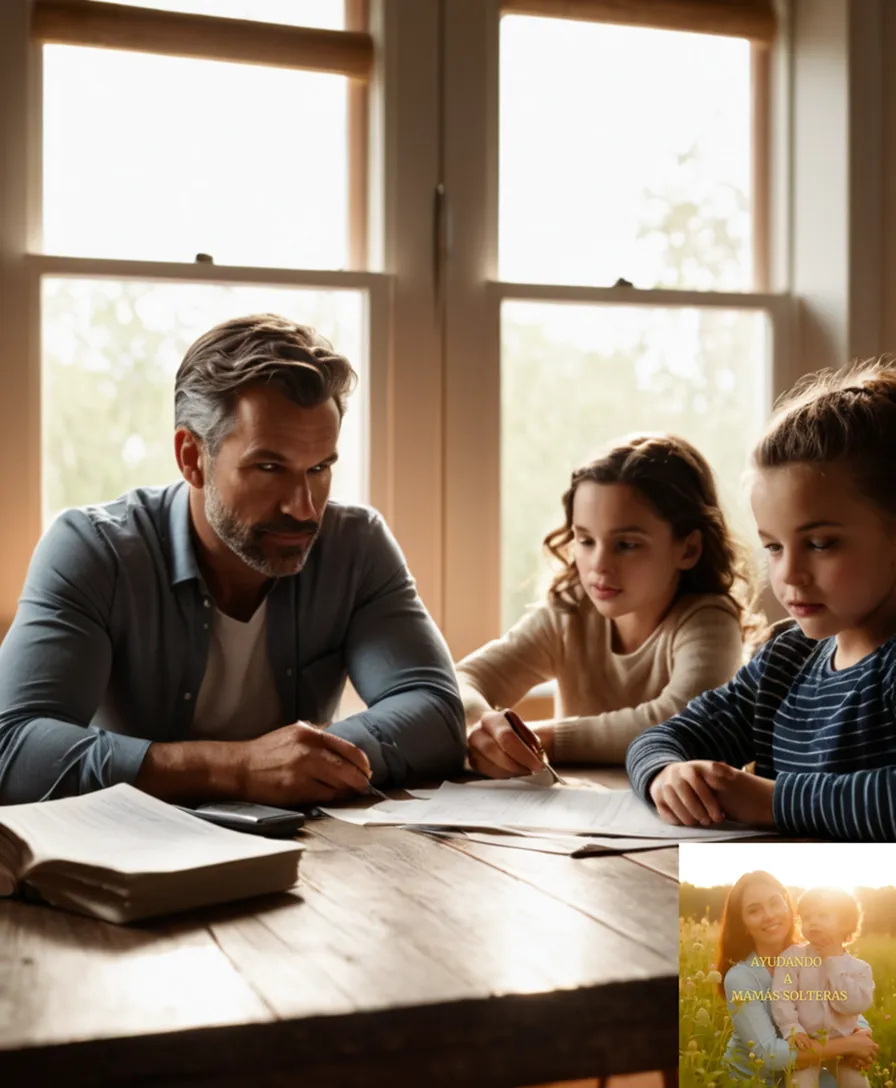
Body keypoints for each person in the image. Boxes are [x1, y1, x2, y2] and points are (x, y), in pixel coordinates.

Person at [0, 314, 465, 805]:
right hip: (129, 857)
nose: (304, 508)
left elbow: (434, 710)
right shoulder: (95, 550)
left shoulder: (357, 545)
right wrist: (237, 769)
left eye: (320, 468)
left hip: (306, 853)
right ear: (191, 457)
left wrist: (307, 761)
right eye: (269, 468)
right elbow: (11, 747)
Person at [627, 357, 896, 839]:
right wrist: (666, 774)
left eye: (820, 544)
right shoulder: (786, 657)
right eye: (773, 546)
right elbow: (665, 736)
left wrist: (770, 800)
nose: (788, 573)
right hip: (788, 904)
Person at [457, 433, 755, 777]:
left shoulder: (709, 620)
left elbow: (680, 718)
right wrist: (487, 731)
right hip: (580, 820)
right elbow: (461, 680)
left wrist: (542, 739)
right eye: (585, 540)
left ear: (688, 549)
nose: (599, 564)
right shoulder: (569, 614)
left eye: (627, 544)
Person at [716, 871, 877, 1085]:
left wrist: (862, 1033)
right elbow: (768, 1053)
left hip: (811, 1063)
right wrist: (849, 1045)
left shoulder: (816, 954)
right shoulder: (741, 977)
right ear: (743, 924)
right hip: (757, 1079)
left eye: (775, 903)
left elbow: (841, 1003)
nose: (769, 915)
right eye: (754, 910)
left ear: (788, 907)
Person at [770, 887, 874, 1088]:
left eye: (823, 915)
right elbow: (782, 997)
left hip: (844, 1048)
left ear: (846, 924)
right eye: (806, 917)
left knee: (857, 1083)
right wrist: (792, 1030)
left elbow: (852, 1006)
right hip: (807, 1044)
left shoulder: (859, 969)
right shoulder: (792, 958)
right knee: (801, 1084)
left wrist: (833, 961)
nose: (813, 922)